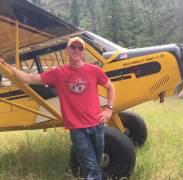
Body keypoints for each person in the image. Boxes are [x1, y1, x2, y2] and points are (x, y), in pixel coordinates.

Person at [0, 37, 115, 179]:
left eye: (80, 48)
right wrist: (6, 66)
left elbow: (110, 87)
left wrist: (109, 108)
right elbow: (29, 79)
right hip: (78, 129)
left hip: (97, 125)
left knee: (96, 165)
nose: (76, 50)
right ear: (67, 50)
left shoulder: (94, 70)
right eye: (73, 47)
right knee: (91, 168)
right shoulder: (58, 73)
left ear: (83, 52)